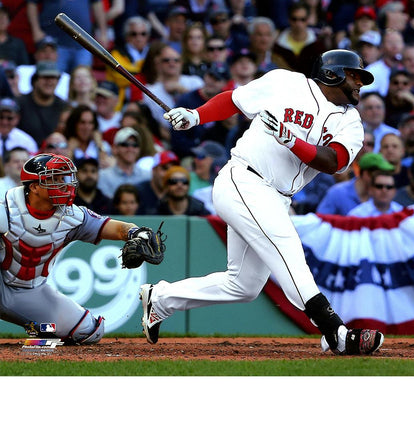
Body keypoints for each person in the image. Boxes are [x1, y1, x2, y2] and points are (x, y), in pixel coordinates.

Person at [140, 49, 384, 356]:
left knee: (243, 285)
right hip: (245, 179)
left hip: (277, 196)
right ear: (332, 73)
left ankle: (161, 299)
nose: (360, 83)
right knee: (287, 248)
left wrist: (292, 140)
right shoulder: (286, 82)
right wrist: (196, 115)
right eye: (355, 75)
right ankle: (336, 332)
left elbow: (333, 161)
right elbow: (234, 100)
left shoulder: (352, 123)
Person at [0, 152, 157, 344]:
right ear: (34, 187)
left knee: (88, 331)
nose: (64, 184)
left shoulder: (72, 216)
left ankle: (37, 330)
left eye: (63, 178)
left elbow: (115, 228)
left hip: (30, 290)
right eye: (53, 179)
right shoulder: (5, 205)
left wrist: (137, 234)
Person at [23, 0, 108, 74]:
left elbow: (98, 4)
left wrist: (103, 33)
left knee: (83, 80)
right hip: (53, 43)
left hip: (84, 43)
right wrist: (36, 30)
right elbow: (32, 2)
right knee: (53, 80)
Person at [140, 42, 204, 141]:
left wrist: (183, 91)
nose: (172, 63)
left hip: (200, 135)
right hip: (168, 140)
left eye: (176, 60)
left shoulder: (195, 82)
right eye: (166, 60)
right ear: (158, 64)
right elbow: (158, 124)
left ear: (182, 63)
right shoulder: (150, 91)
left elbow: (203, 109)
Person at [316, 151, 395, 215]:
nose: (383, 179)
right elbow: (321, 221)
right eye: (379, 174)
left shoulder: (380, 195)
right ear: (366, 173)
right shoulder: (337, 192)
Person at [16, 61, 69, 147]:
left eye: (53, 78)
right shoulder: (20, 103)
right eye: (45, 77)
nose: (49, 82)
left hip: (54, 156)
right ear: (35, 80)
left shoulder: (64, 106)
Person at [272, 1, 327, 76]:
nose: (298, 24)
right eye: (294, 19)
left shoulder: (318, 46)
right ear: (289, 19)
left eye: (302, 19)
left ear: (308, 20)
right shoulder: (277, 47)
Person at [106, 16, 151, 106]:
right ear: (126, 36)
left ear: (148, 36)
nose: (139, 38)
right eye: (134, 34)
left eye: (143, 34)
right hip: (123, 103)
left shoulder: (153, 52)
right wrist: (146, 71)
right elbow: (125, 77)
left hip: (150, 100)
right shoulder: (116, 53)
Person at [97, 126, 150, 199]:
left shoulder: (147, 176)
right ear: (115, 148)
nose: (130, 149)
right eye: (125, 144)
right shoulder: (103, 176)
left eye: (135, 145)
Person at [15, 36, 71, 100]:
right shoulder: (21, 71)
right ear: (36, 55)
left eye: (52, 51)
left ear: (57, 55)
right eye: (44, 51)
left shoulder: (67, 78)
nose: (48, 55)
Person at [361, 28, 405, 97]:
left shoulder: (408, 67)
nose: (395, 46)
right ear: (382, 47)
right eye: (390, 42)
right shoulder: (372, 71)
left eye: (398, 42)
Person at [136, 150, 180, 215]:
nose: (168, 174)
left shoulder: (179, 194)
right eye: (164, 168)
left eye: (173, 170)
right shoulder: (138, 192)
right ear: (154, 170)